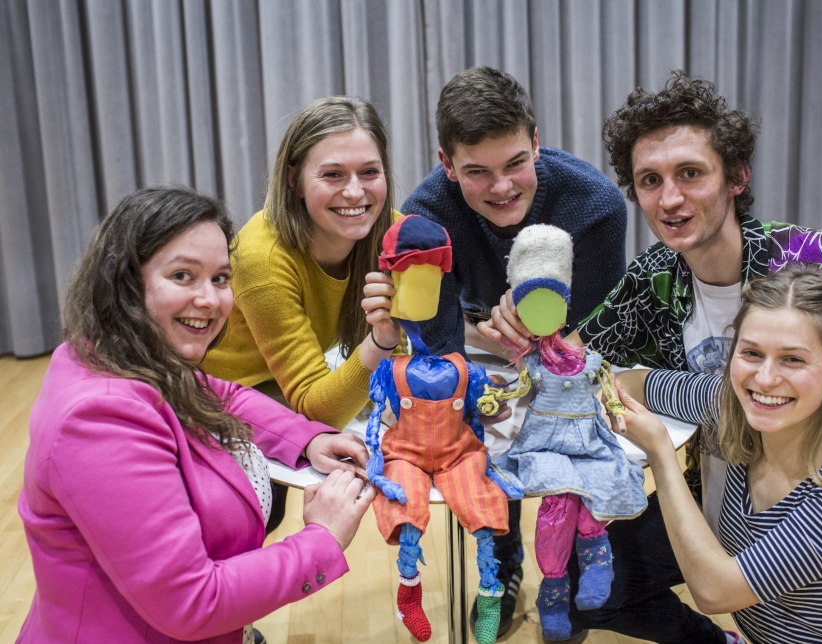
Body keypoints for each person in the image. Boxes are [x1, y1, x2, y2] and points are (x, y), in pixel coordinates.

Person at [482, 72, 822, 642]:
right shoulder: (654, 279)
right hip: (731, 497)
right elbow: (585, 362)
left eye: (691, 174)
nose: (670, 198)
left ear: (737, 176)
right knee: (593, 586)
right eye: (650, 180)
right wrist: (531, 325)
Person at [18, 187, 375, 644]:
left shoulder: (110, 352)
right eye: (183, 275)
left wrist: (305, 438)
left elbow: (214, 391)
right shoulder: (99, 420)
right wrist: (322, 539)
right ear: (124, 282)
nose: (210, 299)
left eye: (221, 278)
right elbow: (192, 602)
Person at [401, 65, 629, 639]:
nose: (502, 188)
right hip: (482, 353)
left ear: (535, 142)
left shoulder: (593, 206)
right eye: (476, 172)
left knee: (572, 455)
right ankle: (500, 575)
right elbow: (439, 348)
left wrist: (534, 338)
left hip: (567, 360)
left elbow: (593, 337)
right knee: (478, 444)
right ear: (446, 164)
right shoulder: (425, 215)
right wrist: (488, 330)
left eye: (515, 164)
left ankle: (574, 583)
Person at [613, 266, 822, 644]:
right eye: (752, 352)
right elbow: (636, 385)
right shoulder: (730, 404)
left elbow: (714, 592)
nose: (765, 379)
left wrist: (660, 453)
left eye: (793, 359)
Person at [201, 96, 402, 532]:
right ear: (293, 178)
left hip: (276, 389)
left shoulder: (392, 233)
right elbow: (316, 410)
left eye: (370, 172)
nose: (355, 192)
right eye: (333, 174)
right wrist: (382, 341)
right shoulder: (263, 259)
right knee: (253, 515)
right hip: (212, 394)